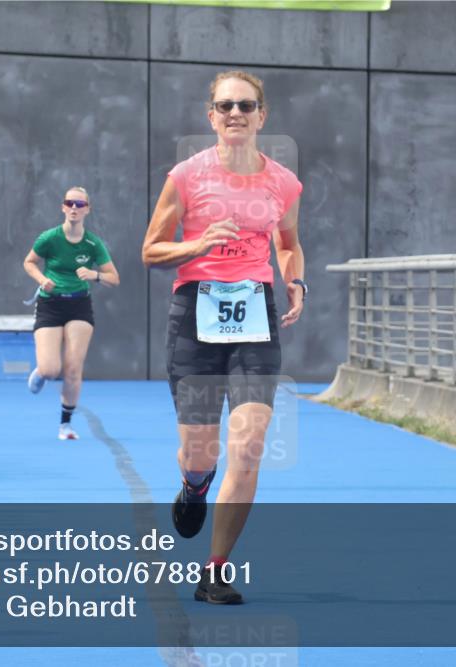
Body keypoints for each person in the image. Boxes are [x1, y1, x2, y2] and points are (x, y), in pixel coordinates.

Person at [142, 70, 307, 604]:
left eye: (246, 105)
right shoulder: (187, 176)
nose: (236, 113)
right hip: (196, 312)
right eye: (225, 105)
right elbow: (150, 250)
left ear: (263, 115)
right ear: (209, 115)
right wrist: (198, 244)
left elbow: (287, 242)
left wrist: (294, 277)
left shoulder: (284, 182)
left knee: (249, 443)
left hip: (255, 314)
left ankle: (214, 570)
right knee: (200, 450)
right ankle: (194, 485)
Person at [23, 187, 119, 440]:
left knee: (74, 368)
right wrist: (42, 279)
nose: (74, 208)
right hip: (50, 304)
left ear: (87, 209)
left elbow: (113, 278)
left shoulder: (93, 243)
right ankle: (41, 372)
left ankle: (65, 425)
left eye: (80, 204)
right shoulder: (49, 238)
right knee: (51, 369)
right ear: (63, 207)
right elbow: (29, 262)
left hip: (79, 305)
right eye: (70, 203)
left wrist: (95, 275)